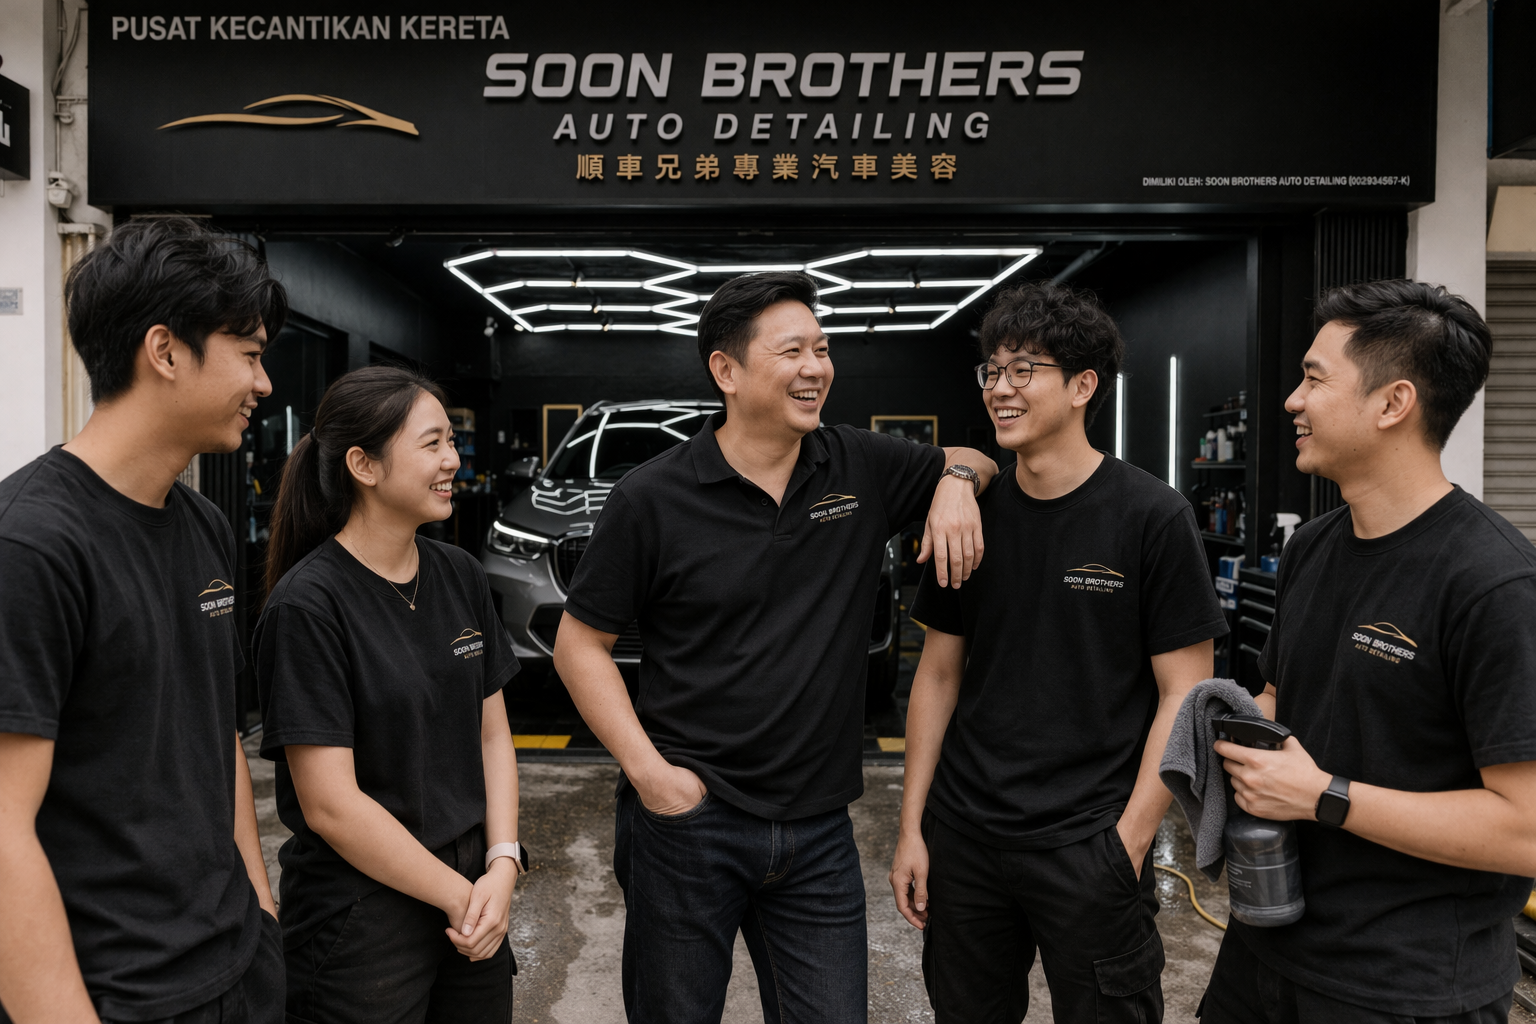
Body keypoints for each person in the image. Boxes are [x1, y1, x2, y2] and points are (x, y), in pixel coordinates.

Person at [553, 270, 997, 1024]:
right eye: (792, 351)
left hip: (819, 830)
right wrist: (653, 778)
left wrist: (953, 479)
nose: (816, 367)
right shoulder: (653, 497)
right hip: (689, 825)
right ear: (726, 371)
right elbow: (578, 644)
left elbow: (980, 459)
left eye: (822, 349)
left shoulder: (859, 465)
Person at [888, 281, 1227, 1023]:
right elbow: (938, 674)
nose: (1000, 389)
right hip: (968, 841)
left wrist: (1130, 841)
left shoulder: (1151, 515)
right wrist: (914, 828)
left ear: (1082, 386)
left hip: (1091, 842)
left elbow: (1186, 693)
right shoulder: (973, 516)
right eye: (991, 371)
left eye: (1023, 370)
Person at [1200, 279, 1536, 1023]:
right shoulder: (1314, 549)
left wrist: (1325, 796)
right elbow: (1286, 702)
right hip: (1267, 942)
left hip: (1405, 988)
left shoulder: (1493, 582)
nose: (1293, 400)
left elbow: (1525, 830)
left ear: (1393, 404)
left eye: (1315, 379)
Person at [0, 218, 285, 1023]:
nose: (264, 386)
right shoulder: (30, 545)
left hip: (235, 970)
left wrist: (258, 912)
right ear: (165, 352)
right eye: (251, 354)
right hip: (117, 997)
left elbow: (216, 733)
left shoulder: (200, 524)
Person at [254, 366, 521, 1023]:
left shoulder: (458, 574)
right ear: (363, 465)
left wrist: (503, 864)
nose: (452, 461)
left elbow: (493, 735)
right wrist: (460, 896)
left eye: (450, 444)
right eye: (432, 445)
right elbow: (331, 806)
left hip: (473, 898)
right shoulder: (309, 606)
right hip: (361, 919)